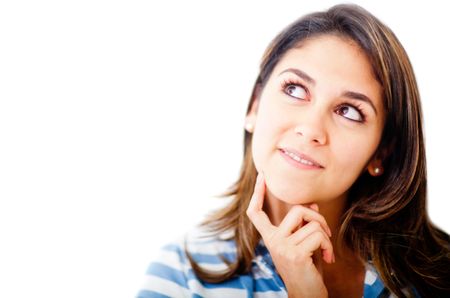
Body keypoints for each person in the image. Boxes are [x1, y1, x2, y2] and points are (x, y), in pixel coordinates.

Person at [136, 4, 450, 297]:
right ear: (255, 106)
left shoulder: (440, 276)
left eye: (349, 111)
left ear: (381, 153)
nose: (311, 129)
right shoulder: (181, 276)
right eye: (295, 89)